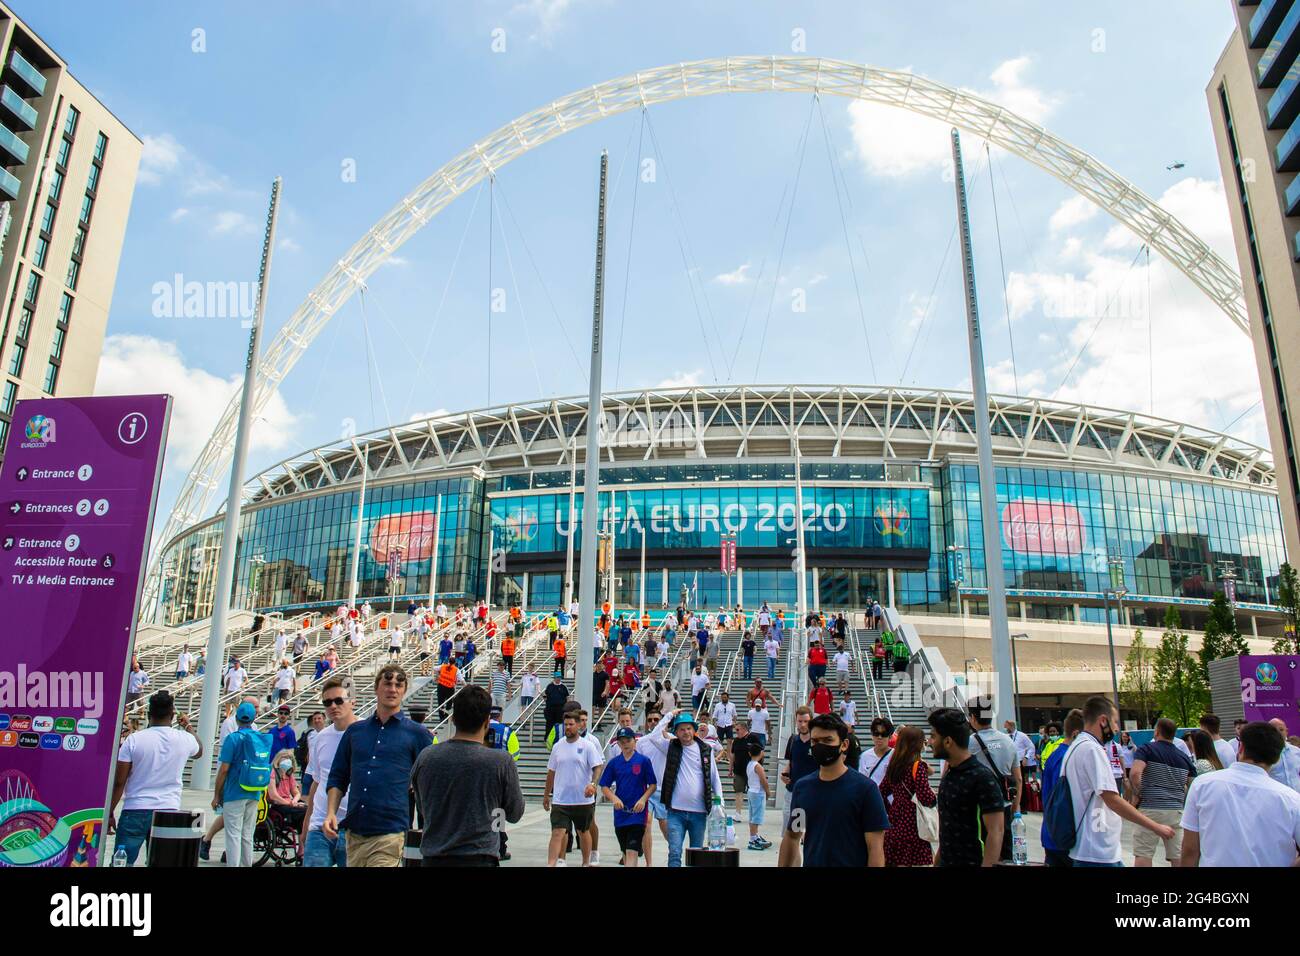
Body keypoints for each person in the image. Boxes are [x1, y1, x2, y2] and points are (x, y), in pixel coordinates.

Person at [324, 664, 434, 867]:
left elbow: (432, 780)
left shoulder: (417, 733)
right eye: (387, 683)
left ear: (404, 690)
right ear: (376, 688)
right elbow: (338, 776)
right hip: (354, 831)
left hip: (390, 832)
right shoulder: (355, 732)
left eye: (398, 684)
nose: (393, 689)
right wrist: (330, 812)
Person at [411, 686, 524, 866]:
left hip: (434, 857)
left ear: (454, 719)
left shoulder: (426, 757)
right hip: (480, 856)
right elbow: (515, 813)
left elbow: (422, 807)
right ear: (487, 722)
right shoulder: (501, 761)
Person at [1063, 696, 1175, 867]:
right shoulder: (1092, 750)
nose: (1116, 728)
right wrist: (1156, 827)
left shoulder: (1077, 747)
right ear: (1102, 721)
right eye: (1114, 722)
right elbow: (1113, 800)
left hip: (1090, 848)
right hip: (1098, 851)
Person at [1181, 721, 1300, 867]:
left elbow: (1190, 849)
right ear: (1276, 757)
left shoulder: (1202, 785)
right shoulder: (1292, 799)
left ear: (1241, 747)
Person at [778, 713, 888, 867]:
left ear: (844, 745)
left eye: (828, 740)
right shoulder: (803, 788)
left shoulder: (866, 790)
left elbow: (875, 848)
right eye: (815, 741)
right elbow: (794, 835)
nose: (820, 746)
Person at [109, 691, 202, 865]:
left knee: (122, 862)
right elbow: (200, 751)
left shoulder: (134, 740)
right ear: (173, 715)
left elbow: (119, 782)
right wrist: (188, 726)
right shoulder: (185, 738)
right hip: (168, 811)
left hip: (135, 810)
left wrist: (109, 813)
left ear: (149, 714)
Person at [639, 710, 724, 867]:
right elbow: (654, 736)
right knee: (675, 853)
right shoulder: (671, 747)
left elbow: (714, 777)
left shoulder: (706, 750)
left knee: (696, 855)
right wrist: (670, 715)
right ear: (676, 732)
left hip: (699, 813)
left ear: (694, 730)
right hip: (675, 812)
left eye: (689, 728)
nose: (686, 732)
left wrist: (720, 803)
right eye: (682, 729)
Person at [927, 707, 1005, 867]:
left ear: (948, 741)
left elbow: (996, 831)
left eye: (933, 737)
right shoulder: (949, 776)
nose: (929, 742)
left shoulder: (982, 778)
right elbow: (948, 829)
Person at [302, 677, 356, 867]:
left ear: (352, 701)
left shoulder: (366, 732)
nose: (333, 706)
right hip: (319, 826)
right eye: (327, 703)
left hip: (354, 828)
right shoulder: (320, 737)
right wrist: (305, 826)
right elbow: (317, 782)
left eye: (339, 701)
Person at [1129, 717, 1195, 867]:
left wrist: (1138, 794)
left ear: (1156, 732)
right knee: (1177, 855)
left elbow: (1134, 774)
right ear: (1173, 735)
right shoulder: (1184, 758)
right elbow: (1192, 786)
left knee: (1143, 854)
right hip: (1176, 811)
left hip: (1150, 809)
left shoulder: (1147, 749)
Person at [211, 701, 271, 868]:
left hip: (235, 791)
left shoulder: (233, 738)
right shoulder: (260, 738)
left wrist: (217, 794)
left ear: (236, 719)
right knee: (247, 834)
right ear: (253, 719)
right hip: (254, 791)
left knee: (233, 834)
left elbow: (224, 769)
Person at [544, 711, 604, 866]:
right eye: (566, 725)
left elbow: (598, 766)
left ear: (578, 725)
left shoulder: (588, 746)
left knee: (583, 832)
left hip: (582, 800)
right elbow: (551, 772)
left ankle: (586, 862)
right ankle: (552, 863)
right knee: (557, 832)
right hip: (561, 799)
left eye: (571, 724)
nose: (568, 727)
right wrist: (546, 796)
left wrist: (593, 784)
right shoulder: (558, 746)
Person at [964, 697, 1021, 861]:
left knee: (984, 850)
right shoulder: (1008, 741)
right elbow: (1017, 778)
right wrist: (1016, 805)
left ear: (973, 718)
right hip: (1005, 804)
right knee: (1006, 850)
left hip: (979, 807)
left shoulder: (970, 743)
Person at [875, 725, 937, 867]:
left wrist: (892, 808)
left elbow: (881, 791)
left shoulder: (894, 765)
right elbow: (925, 797)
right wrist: (934, 798)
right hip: (914, 825)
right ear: (917, 743)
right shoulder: (917, 766)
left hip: (895, 822)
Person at [599, 727, 658, 867]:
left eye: (628, 740)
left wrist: (643, 799)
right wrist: (614, 798)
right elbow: (604, 786)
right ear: (618, 744)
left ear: (634, 741)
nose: (626, 744)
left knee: (632, 850)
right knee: (625, 851)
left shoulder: (643, 761)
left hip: (638, 814)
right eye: (622, 741)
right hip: (621, 813)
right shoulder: (614, 763)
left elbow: (653, 785)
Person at [1039, 708, 1083, 867]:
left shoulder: (1056, 755)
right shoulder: (1068, 757)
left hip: (1052, 834)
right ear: (1077, 734)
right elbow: (1063, 800)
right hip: (1063, 837)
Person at [781, 706, 817, 827]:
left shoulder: (817, 742)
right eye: (800, 721)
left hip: (812, 791)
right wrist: (784, 773)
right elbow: (791, 762)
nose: (802, 725)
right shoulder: (793, 740)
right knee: (791, 829)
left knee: (807, 829)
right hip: (793, 790)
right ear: (796, 721)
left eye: (806, 721)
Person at [267, 748, 307, 832]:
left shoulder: (289, 774)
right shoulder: (273, 773)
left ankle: (302, 841)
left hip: (289, 803)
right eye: (284, 757)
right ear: (278, 759)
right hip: (278, 804)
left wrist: (295, 802)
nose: (287, 760)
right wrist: (290, 803)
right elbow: (273, 796)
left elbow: (297, 793)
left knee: (307, 810)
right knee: (302, 812)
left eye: (289, 758)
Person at [1267, 718, 1300, 793]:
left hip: (1297, 797)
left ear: (1286, 731)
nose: (1278, 733)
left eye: (1281, 730)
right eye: (1274, 730)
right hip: (1277, 798)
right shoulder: (1264, 754)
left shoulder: (1296, 751)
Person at [860, 716, 893, 788]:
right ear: (872, 735)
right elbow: (861, 781)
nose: (879, 737)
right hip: (871, 797)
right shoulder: (864, 756)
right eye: (876, 733)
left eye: (884, 734)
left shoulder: (896, 755)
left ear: (890, 737)